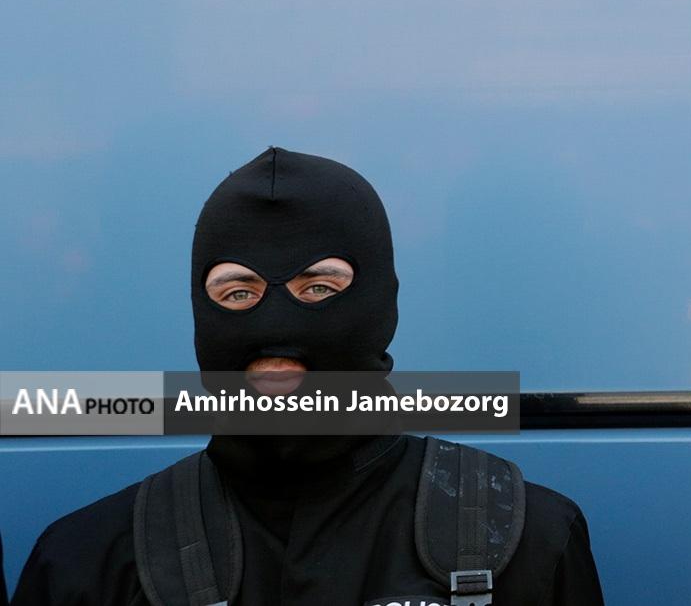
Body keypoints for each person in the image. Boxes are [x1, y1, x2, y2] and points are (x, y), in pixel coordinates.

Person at [12, 146, 605, 605]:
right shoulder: (86, 564)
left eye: (318, 288)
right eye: (238, 292)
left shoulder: (527, 540)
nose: (275, 326)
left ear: (379, 306)